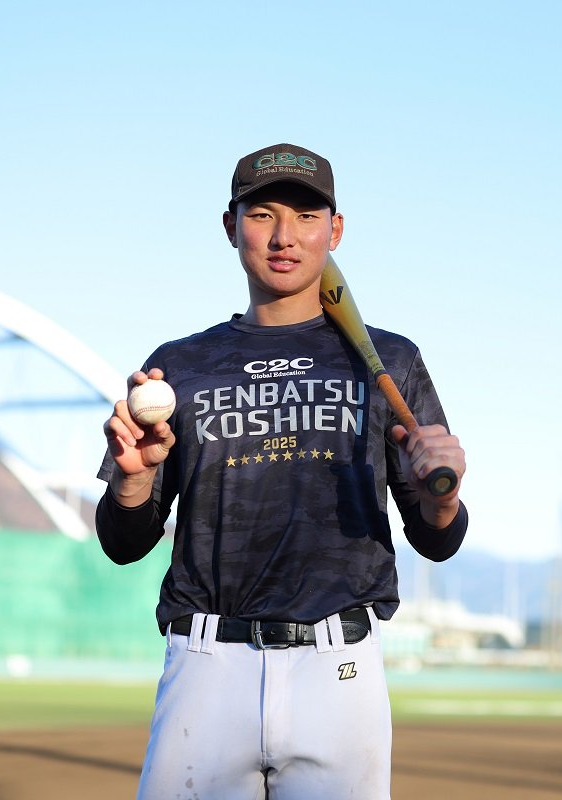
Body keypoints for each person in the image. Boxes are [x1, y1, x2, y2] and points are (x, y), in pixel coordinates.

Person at [96, 143, 468, 799]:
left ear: (336, 229)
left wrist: (442, 494)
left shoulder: (387, 361)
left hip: (340, 667)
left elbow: (437, 537)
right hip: (207, 664)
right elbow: (123, 544)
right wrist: (134, 481)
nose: (284, 236)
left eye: (304, 216)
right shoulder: (179, 366)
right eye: (263, 214)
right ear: (231, 226)